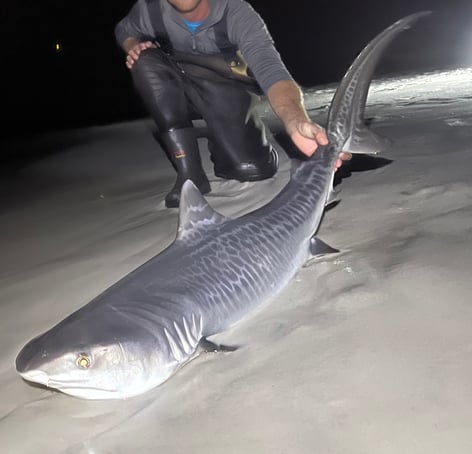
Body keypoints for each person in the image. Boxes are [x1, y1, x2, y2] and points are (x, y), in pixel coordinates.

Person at [115, 0, 348, 208]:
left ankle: (224, 130)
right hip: (180, 89)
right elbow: (123, 29)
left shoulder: (236, 12)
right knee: (145, 62)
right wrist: (132, 46)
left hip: (226, 92)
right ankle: (189, 173)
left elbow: (271, 70)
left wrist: (295, 121)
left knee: (250, 170)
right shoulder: (149, 10)